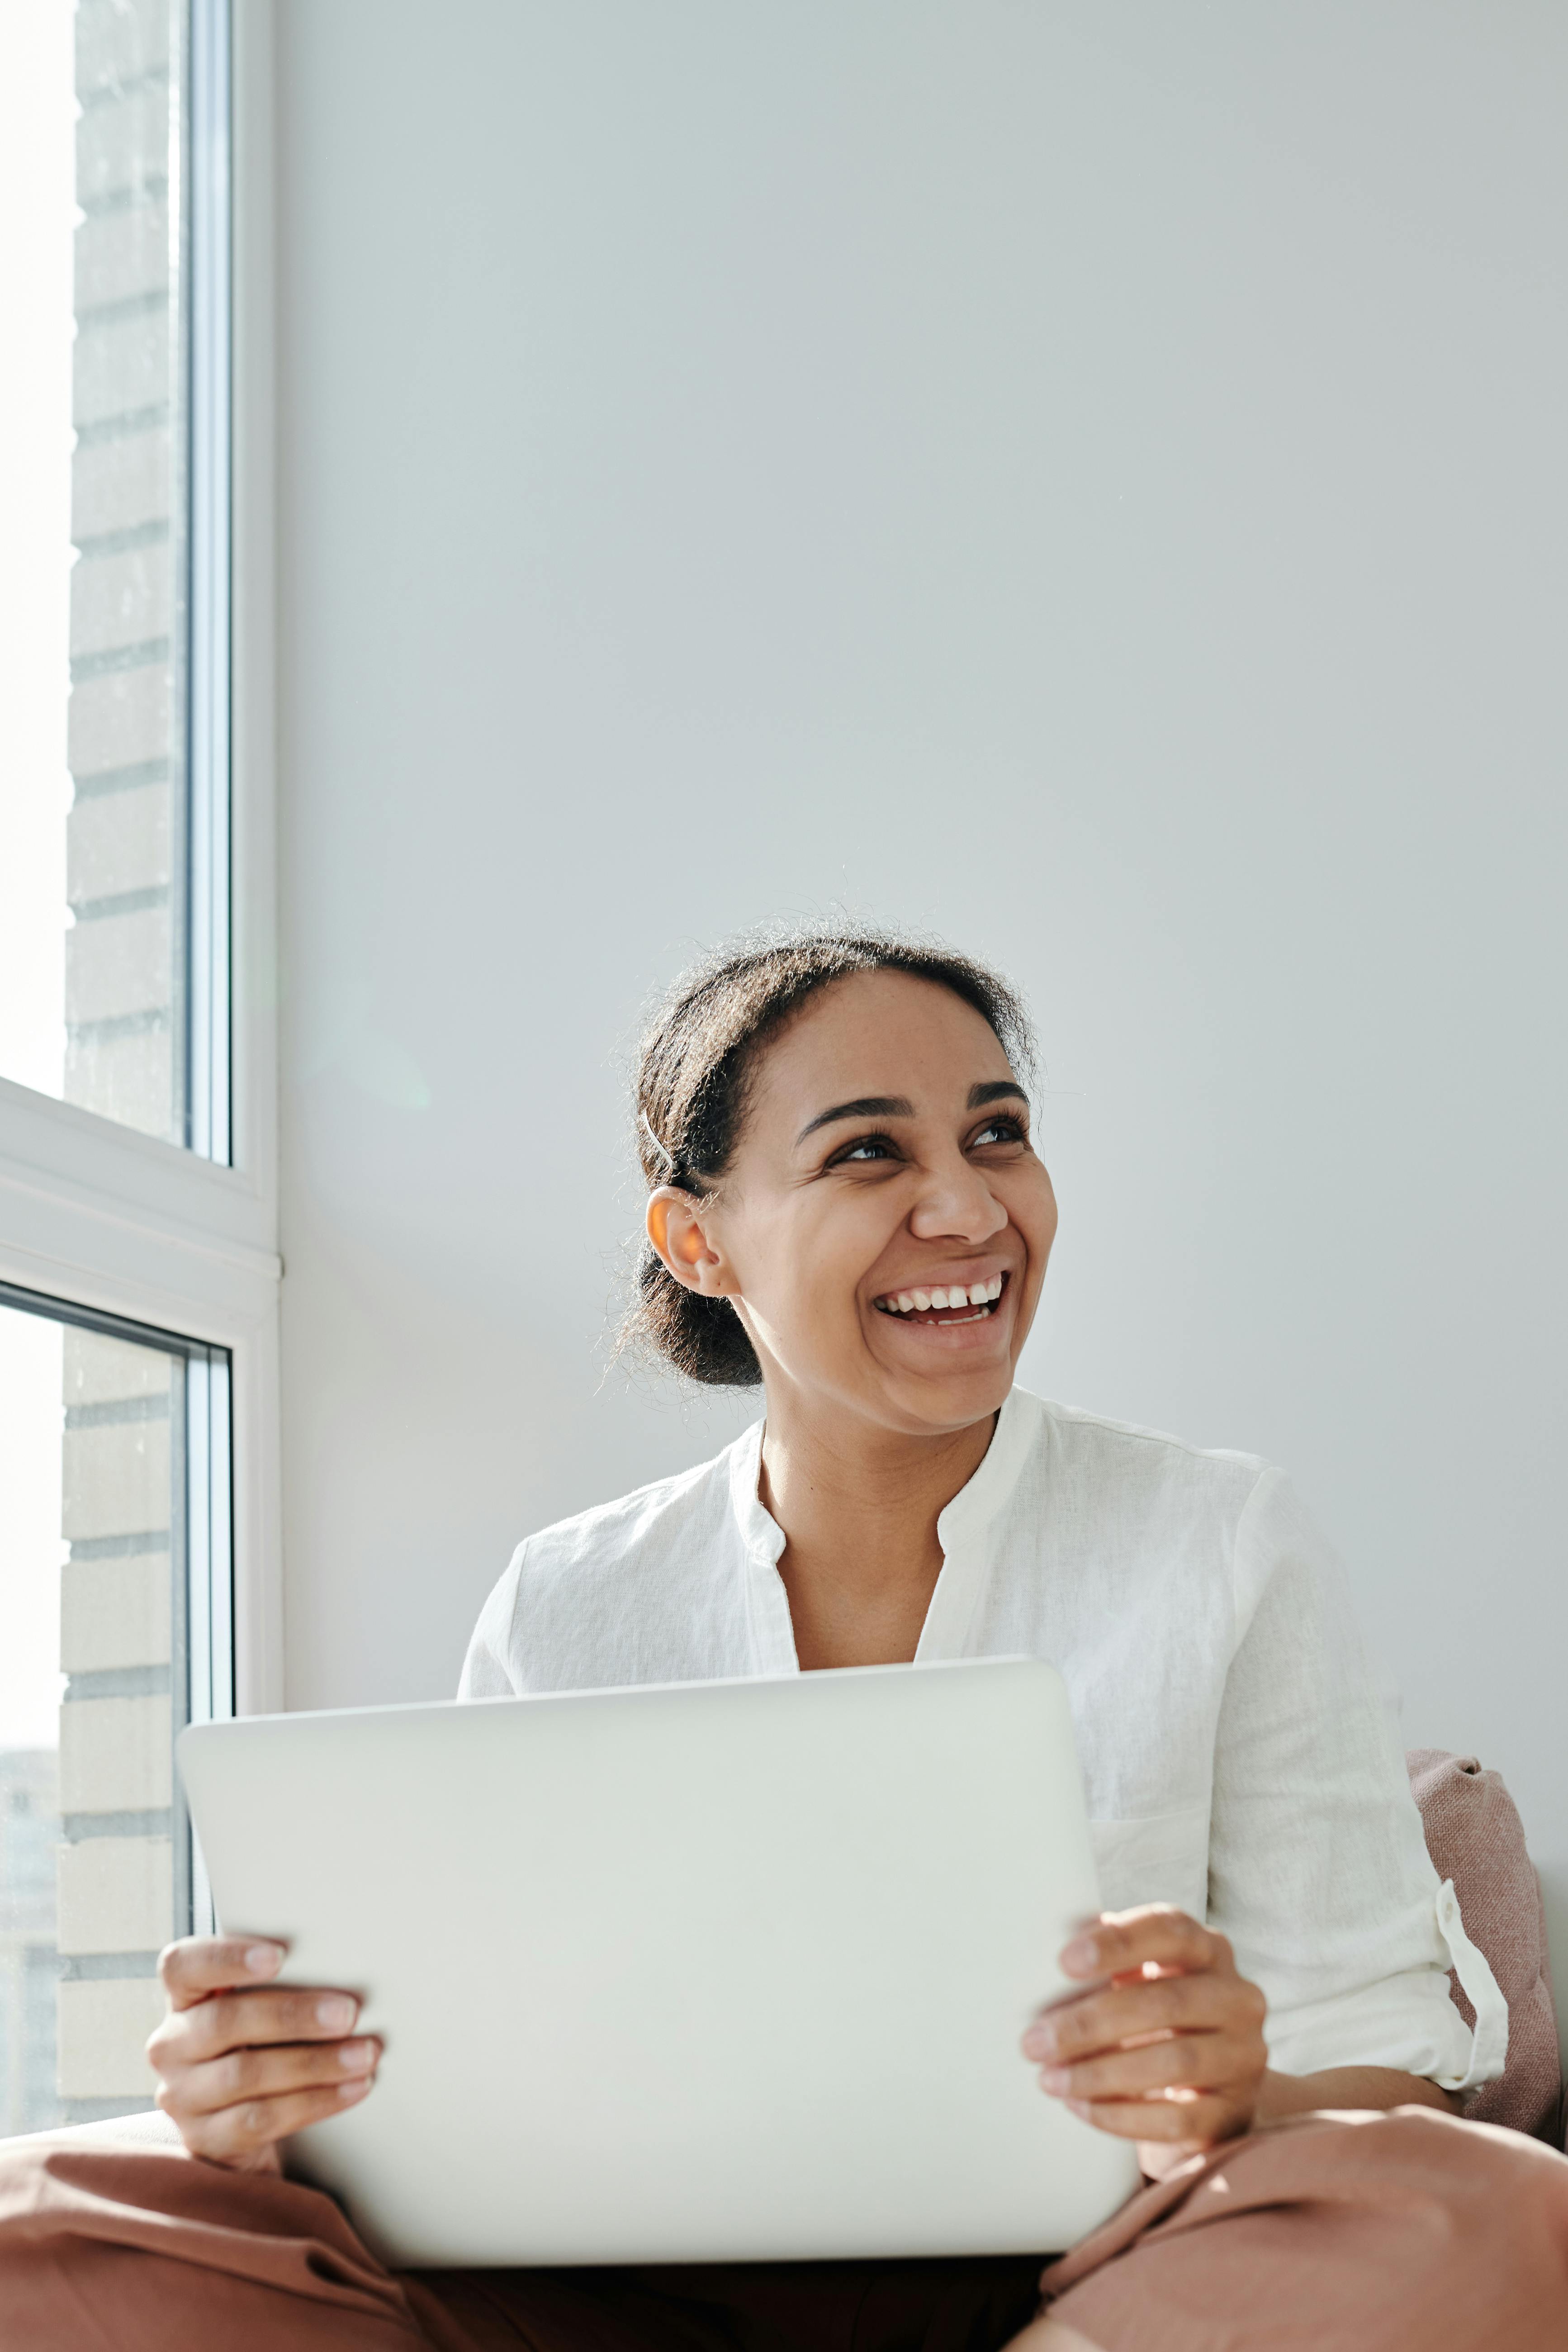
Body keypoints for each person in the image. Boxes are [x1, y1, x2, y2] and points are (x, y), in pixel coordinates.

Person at [3, 924, 1566, 2351]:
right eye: (866, 1153)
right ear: (698, 1243)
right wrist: (268, 2105)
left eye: (995, 1134)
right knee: (49, 2218)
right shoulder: (569, 1595)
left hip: (1091, 2289)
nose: (965, 1207)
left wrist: (1233, 2093)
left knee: (1487, 2209)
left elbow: (1382, 2071)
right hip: (613, 2300)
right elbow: (469, 2079)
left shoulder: (1218, 1538)